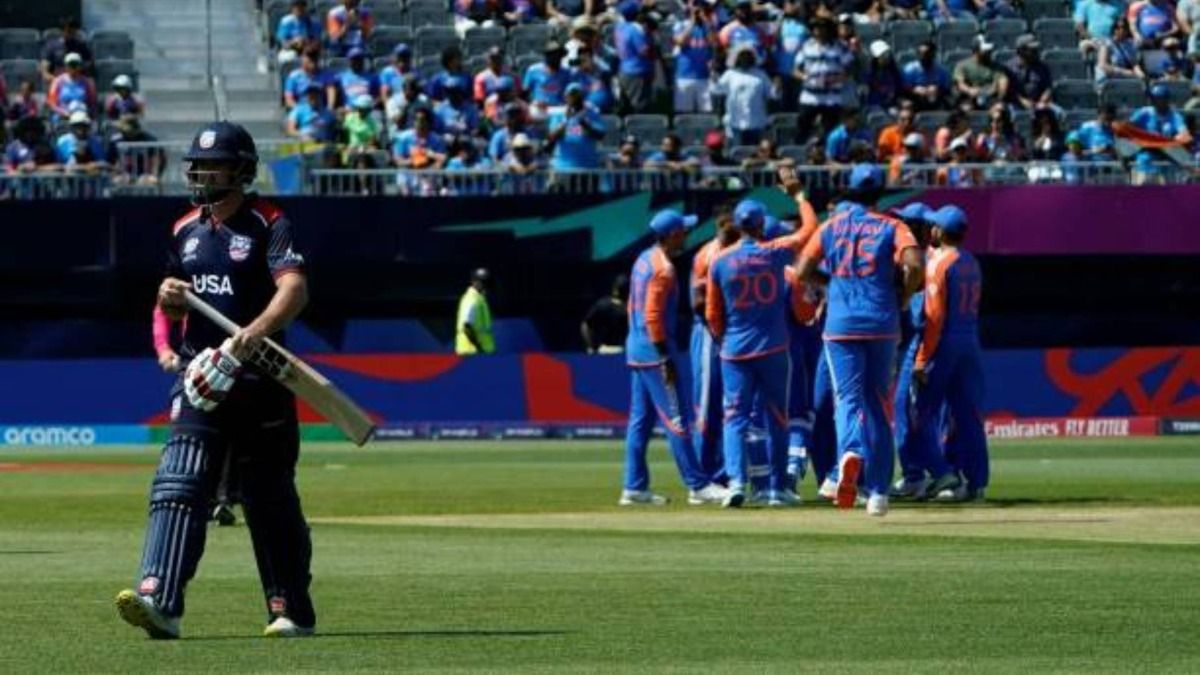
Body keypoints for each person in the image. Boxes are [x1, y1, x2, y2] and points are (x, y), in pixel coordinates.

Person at [114, 121, 315, 640]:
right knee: (178, 484)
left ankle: (289, 607)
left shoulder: (269, 223)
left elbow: (294, 289)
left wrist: (257, 331)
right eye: (197, 165)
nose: (201, 173)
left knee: (269, 498)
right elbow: (169, 298)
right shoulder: (184, 228)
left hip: (260, 381)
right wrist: (169, 298)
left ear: (241, 172)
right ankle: (160, 599)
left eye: (213, 165)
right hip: (202, 378)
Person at [796, 163, 923, 517]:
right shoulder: (892, 225)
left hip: (841, 325)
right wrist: (901, 294)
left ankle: (850, 453)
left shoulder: (831, 226)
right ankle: (879, 492)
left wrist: (831, 284)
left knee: (847, 401)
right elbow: (914, 264)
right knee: (880, 406)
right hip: (882, 322)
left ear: (850, 192)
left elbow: (802, 270)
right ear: (880, 193)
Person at [706, 189, 817, 507]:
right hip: (773, 349)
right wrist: (800, 197)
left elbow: (713, 313)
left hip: (735, 351)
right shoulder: (774, 253)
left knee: (735, 419)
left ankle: (736, 482)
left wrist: (722, 340)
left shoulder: (720, 261)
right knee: (778, 418)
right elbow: (809, 230)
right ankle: (778, 488)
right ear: (760, 225)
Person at [621, 209, 727, 506]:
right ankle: (698, 484)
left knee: (640, 421)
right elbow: (653, 315)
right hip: (655, 352)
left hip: (637, 347)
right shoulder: (663, 269)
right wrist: (666, 358)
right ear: (671, 235)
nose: (687, 235)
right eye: (683, 231)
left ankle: (633, 486)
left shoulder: (644, 258)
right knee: (678, 420)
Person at [911, 205, 988, 502]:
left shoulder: (939, 264)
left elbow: (934, 316)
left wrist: (921, 359)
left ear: (940, 231)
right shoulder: (971, 261)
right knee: (969, 415)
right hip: (970, 340)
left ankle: (945, 475)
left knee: (920, 413)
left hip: (945, 344)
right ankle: (976, 483)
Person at [688, 201, 738, 484]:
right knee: (708, 405)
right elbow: (698, 303)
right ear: (718, 224)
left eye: (732, 221)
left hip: (737, 335)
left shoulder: (743, 249)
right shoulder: (707, 255)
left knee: (733, 406)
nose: (729, 227)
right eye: (724, 223)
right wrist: (720, 332)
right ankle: (704, 475)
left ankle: (726, 472)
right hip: (711, 336)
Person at [794, 17, 855, 143]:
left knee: (830, 132)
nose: (818, 31)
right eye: (816, 28)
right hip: (810, 96)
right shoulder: (806, 45)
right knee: (802, 129)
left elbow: (850, 69)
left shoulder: (840, 47)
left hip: (831, 98)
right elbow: (796, 69)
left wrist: (837, 79)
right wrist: (805, 77)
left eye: (822, 28)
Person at [1129, 82, 1193, 183]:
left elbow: (1185, 135)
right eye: (1154, 98)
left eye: (1158, 98)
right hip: (1148, 152)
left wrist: (1170, 140)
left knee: (1169, 187)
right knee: (1142, 182)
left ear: (1166, 100)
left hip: (1167, 154)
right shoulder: (1144, 112)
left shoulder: (1175, 116)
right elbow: (1127, 128)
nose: (1154, 101)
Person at [713, 45, 773, 146]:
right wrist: (714, 78)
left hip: (757, 122)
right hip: (735, 123)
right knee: (737, 152)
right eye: (742, 56)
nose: (745, 59)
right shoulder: (730, 74)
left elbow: (772, 94)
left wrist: (777, 87)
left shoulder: (761, 75)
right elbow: (718, 91)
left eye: (748, 56)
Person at [544, 82, 605, 172]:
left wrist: (582, 121)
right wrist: (566, 120)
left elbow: (600, 135)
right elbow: (551, 137)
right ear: (566, 97)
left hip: (588, 167)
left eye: (578, 96)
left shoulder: (592, 113)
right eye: (572, 95)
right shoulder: (559, 114)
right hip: (564, 168)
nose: (575, 99)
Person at [673, 0, 719, 114]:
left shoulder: (710, 26)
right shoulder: (681, 25)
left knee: (706, 114)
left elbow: (714, 44)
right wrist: (692, 22)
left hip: (704, 76)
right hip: (685, 75)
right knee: (684, 113)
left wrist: (706, 22)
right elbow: (680, 42)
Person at [614, 8, 659, 114]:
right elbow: (644, 52)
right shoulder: (635, 31)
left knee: (627, 105)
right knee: (639, 106)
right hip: (637, 72)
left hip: (624, 69)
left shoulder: (620, 27)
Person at [954, 36, 1007, 110]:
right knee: (965, 109)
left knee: (999, 108)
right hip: (970, 98)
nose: (989, 51)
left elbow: (1002, 80)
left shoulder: (996, 66)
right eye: (985, 50)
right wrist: (969, 90)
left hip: (990, 98)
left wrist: (999, 97)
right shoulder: (963, 65)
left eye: (989, 49)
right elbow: (960, 84)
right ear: (976, 50)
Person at [581, 274, 629, 353]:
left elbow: (586, 325)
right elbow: (586, 325)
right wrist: (590, 347)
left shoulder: (630, 308)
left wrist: (590, 347)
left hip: (621, 350)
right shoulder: (604, 305)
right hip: (607, 349)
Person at [40, 17, 92, 87]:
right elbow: (44, 70)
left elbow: (88, 65)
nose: (71, 33)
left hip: (77, 84)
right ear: (63, 30)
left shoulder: (81, 47)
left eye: (74, 31)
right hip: (57, 83)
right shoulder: (51, 46)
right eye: (69, 30)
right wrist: (56, 80)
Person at [523, 41, 570, 119]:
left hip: (558, 107)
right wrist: (535, 102)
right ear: (546, 56)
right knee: (533, 113)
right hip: (539, 108)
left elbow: (569, 93)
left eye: (558, 55)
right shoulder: (533, 70)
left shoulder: (566, 72)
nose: (555, 57)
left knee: (568, 114)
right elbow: (525, 93)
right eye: (552, 55)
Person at [1004, 35, 1052, 111]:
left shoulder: (1042, 67)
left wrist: (1042, 101)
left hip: (1038, 103)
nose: (1036, 51)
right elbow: (1008, 90)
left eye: (1036, 49)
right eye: (1032, 49)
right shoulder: (1009, 67)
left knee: (1057, 112)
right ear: (1021, 50)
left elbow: (1047, 88)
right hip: (1015, 103)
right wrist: (1021, 101)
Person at [456, 268, 495, 355]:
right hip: (472, 353)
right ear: (473, 282)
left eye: (486, 282)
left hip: (481, 353)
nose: (484, 285)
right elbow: (466, 326)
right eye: (482, 282)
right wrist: (479, 348)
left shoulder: (480, 299)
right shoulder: (471, 299)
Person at [903, 41, 952, 111]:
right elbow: (904, 88)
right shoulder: (910, 69)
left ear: (933, 54)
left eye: (926, 54)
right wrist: (914, 90)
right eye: (920, 53)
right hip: (915, 97)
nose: (923, 56)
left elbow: (947, 88)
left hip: (936, 97)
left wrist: (937, 89)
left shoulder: (942, 70)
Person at [47, 53, 97, 121]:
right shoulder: (58, 81)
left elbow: (92, 103)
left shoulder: (86, 82)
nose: (73, 67)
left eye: (75, 64)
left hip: (81, 116)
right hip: (63, 117)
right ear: (66, 66)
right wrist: (64, 113)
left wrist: (86, 112)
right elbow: (52, 103)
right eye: (70, 65)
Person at [1096, 19, 1145, 85]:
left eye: (1123, 27)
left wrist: (1139, 72)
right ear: (1113, 29)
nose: (1120, 30)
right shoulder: (1106, 43)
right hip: (1110, 75)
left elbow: (1134, 63)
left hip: (1125, 76)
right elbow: (1102, 65)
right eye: (1117, 27)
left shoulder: (1130, 44)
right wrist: (1124, 72)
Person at [275, 0, 322, 66]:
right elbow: (284, 44)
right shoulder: (286, 21)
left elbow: (317, 42)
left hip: (310, 51)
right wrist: (295, 43)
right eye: (296, 6)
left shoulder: (314, 22)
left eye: (302, 6)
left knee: (317, 59)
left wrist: (307, 45)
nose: (299, 9)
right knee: (290, 57)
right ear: (292, 8)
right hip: (291, 50)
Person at [863, 40, 902, 113]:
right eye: (882, 55)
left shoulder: (893, 70)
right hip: (874, 104)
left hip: (891, 104)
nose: (886, 57)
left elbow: (898, 87)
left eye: (887, 54)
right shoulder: (868, 72)